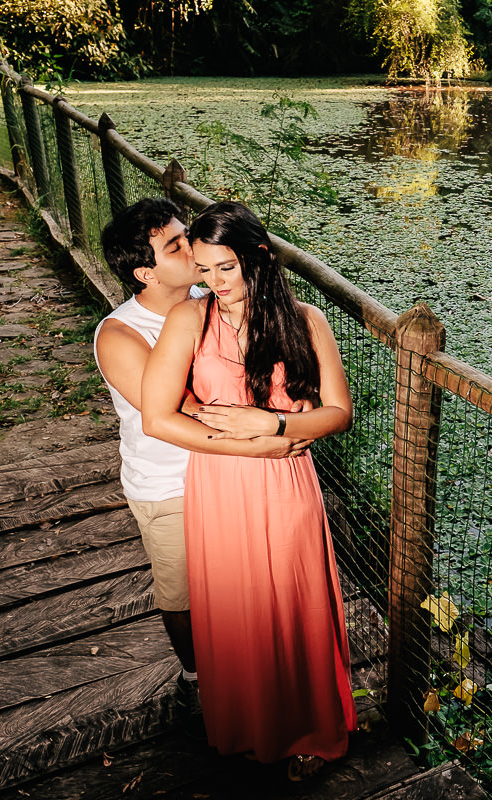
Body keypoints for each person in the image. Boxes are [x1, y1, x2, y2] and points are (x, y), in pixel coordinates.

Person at [141, 201, 356, 780]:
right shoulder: (189, 320)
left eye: (226, 269)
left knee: (292, 606)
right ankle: (245, 727)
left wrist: (277, 425)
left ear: (258, 258)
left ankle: (310, 730)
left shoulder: (306, 319)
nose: (214, 283)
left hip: (287, 480)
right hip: (219, 480)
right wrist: (248, 442)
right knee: (237, 607)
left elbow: (337, 414)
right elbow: (158, 419)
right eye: (204, 270)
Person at [95, 198, 309, 694]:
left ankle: (254, 677)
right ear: (146, 273)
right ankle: (196, 677)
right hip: (171, 483)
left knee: (244, 585)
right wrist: (269, 438)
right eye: (174, 245)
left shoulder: (214, 298)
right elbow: (189, 408)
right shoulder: (120, 335)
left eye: (185, 233)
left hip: (232, 475)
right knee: (184, 592)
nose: (190, 246)